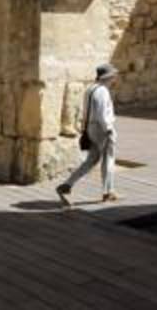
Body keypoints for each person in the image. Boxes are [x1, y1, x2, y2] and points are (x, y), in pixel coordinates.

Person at [57, 64, 121, 206]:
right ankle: (108, 192)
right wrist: (109, 129)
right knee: (108, 159)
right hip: (102, 129)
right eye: (113, 76)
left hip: (90, 128)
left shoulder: (90, 89)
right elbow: (102, 114)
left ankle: (67, 184)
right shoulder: (103, 91)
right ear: (108, 77)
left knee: (91, 160)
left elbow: (86, 111)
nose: (114, 78)